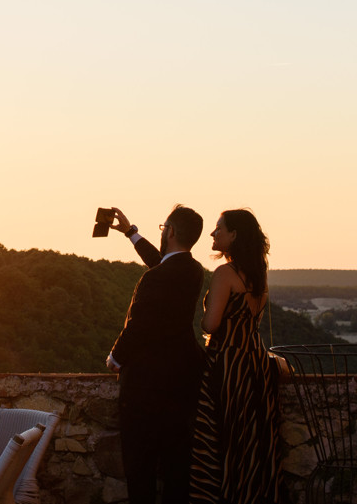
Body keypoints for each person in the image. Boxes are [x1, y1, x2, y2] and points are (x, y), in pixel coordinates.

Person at [106, 205, 206, 504]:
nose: (162, 232)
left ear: (171, 232)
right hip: (183, 381)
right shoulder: (193, 270)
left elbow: (138, 325)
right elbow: (162, 264)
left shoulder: (155, 279)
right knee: (177, 468)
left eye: (163, 228)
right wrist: (130, 233)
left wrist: (115, 357)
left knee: (141, 469)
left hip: (145, 388)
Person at [189, 210, 280, 504]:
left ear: (234, 235)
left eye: (219, 228)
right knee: (250, 439)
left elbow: (211, 325)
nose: (213, 233)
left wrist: (202, 314)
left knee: (222, 438)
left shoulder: (225, 274)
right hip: (254, 360)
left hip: (227, 362)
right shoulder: (258, 274)